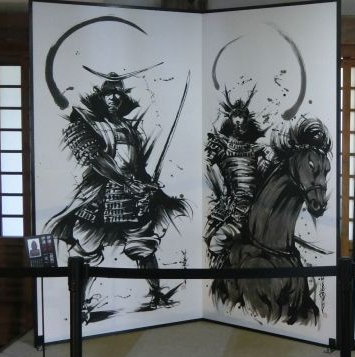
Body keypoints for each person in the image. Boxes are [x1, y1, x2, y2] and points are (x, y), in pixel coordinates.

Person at [46, 68, 189, 318]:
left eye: (118, 94)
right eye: (109, 93)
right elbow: (98, 160)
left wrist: (146, 184)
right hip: (100, 197)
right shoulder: (90, 123)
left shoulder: (129, 128)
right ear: (100, 97)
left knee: (144, 247)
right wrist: (125, 181)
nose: (113, 98)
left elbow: (136, 165)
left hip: (131, 199)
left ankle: (157, 294)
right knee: (85, 251)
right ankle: (80, 305)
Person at [204, 87, 271, 268]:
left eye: (241, 117)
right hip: (232, 208)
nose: (239, 121)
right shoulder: (220, 144)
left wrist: (266, 161)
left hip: (257, 207)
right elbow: (207, 166)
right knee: (214, 241)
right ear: (230, 119)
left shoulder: (257, 148)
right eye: (235, 117)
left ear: (246, 120)